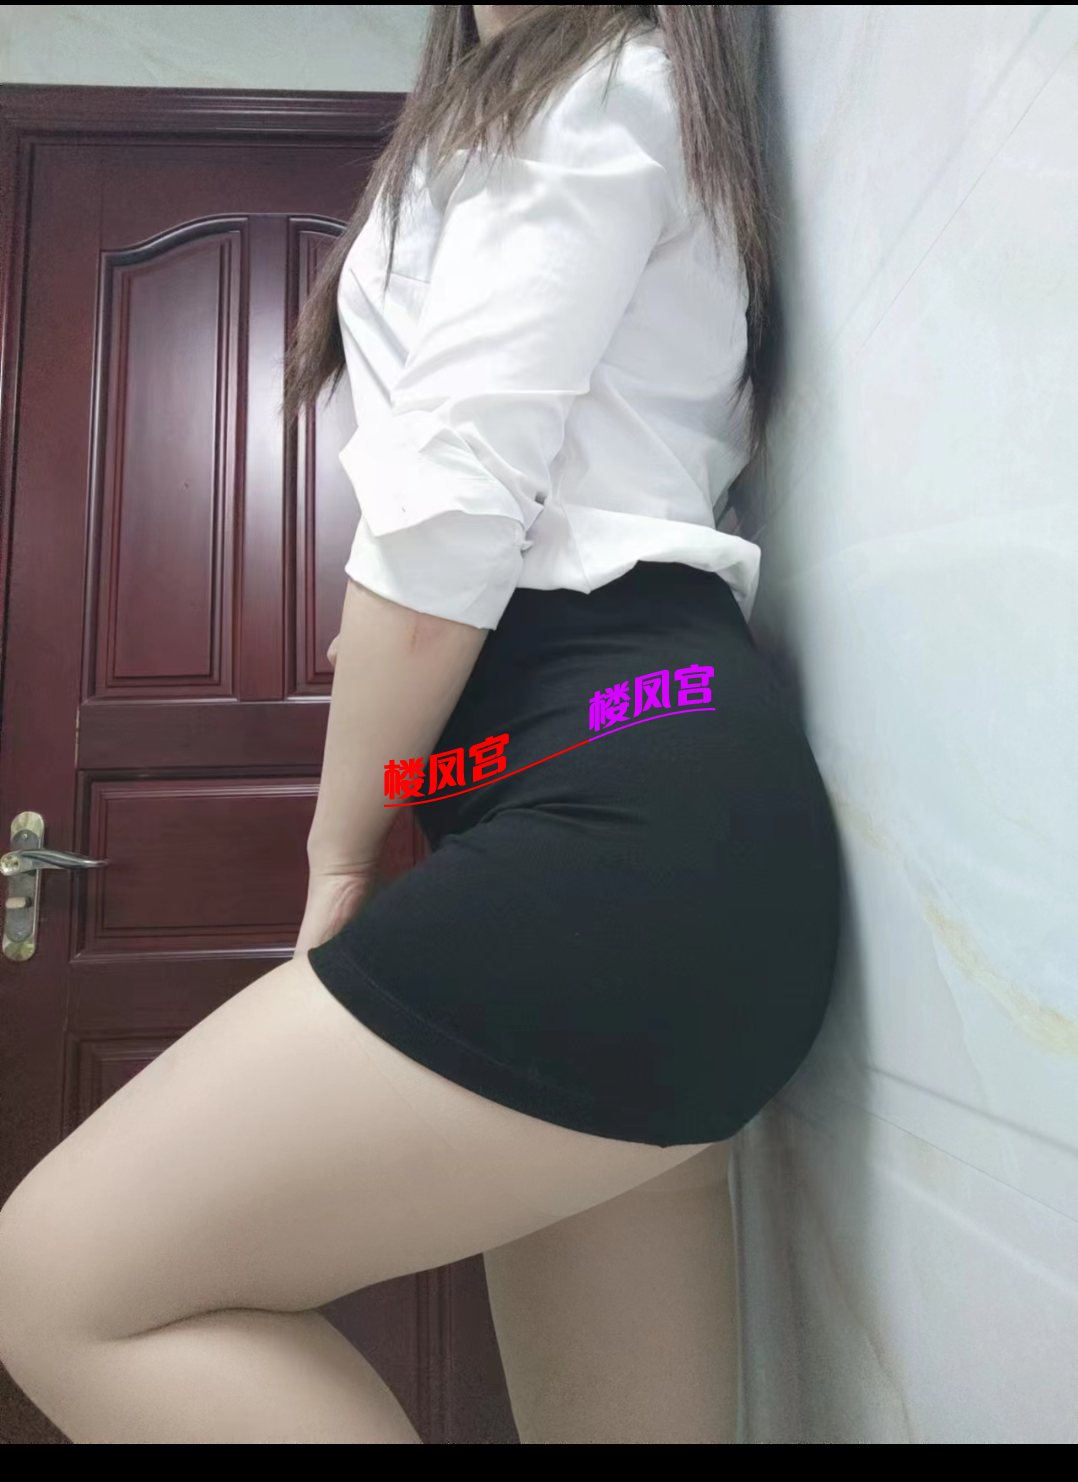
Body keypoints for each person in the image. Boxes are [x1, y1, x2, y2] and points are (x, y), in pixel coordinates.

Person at [0, 5, 841, 1444]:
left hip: (623, 814)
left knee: (56, 1287)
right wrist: (428, 699)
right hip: (655, 765)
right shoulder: (582, 103)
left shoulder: (603, 83)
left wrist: (342, 849)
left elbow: (453, 497)